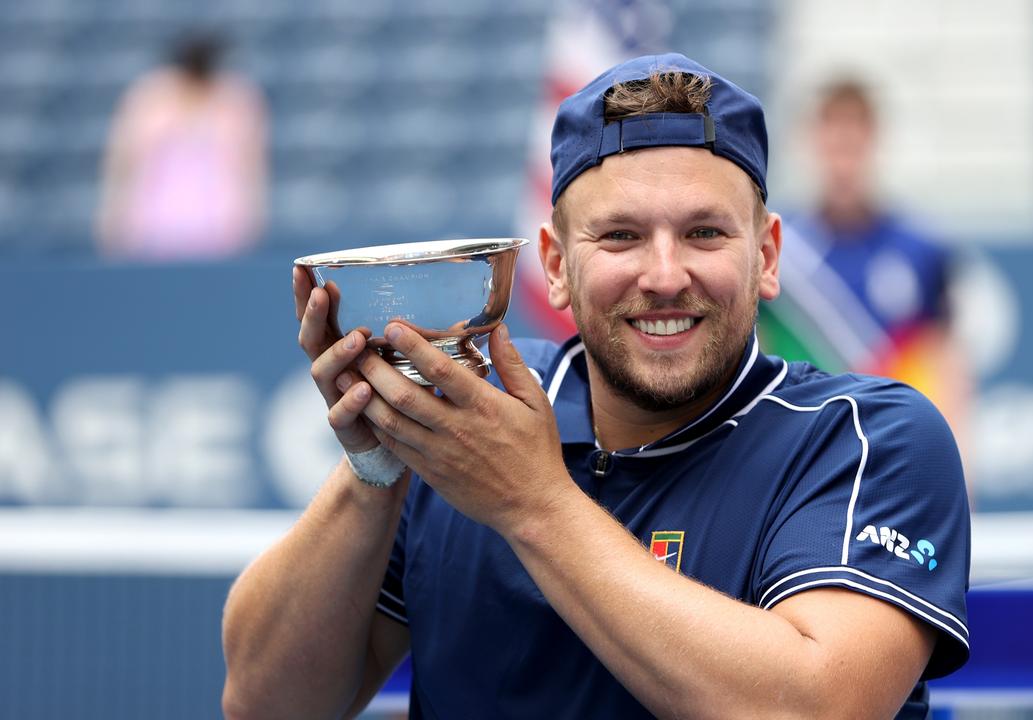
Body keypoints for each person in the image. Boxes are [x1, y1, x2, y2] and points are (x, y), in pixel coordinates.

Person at [222, 53, 970, 720]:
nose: (666, 275)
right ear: (554, 265)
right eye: (620, 236)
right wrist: (377, 465)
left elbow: (820, 707)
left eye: (706, 233)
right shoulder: (468, 424)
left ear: (768, 256)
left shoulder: (864, 439)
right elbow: (264, 703)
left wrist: (533, 505)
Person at [757, 78, 970, 448]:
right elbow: (759, 350)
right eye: (834, 147)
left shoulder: (921, 250)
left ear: (873, 142)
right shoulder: (779, 246)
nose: (843, 165)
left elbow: (946, 365)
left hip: (892, 444)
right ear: (814, 145)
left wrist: (958, 459)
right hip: (804, 446)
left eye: (853, 148)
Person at [97, 31, 268, 261]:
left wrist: (249, 220)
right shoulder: (151, 98)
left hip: (218, 228)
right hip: (154, 228)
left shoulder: (235, 99)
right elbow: (125, 160)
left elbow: (250, 167)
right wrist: (114, 219)